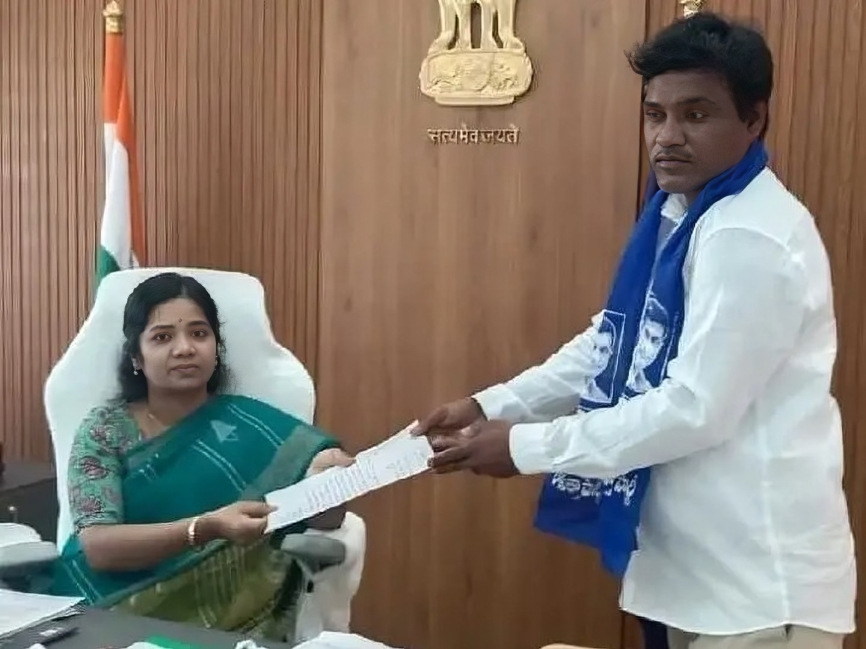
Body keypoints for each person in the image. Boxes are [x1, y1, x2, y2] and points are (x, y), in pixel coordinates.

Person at [414, 13, 855, 649]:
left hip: (757, 588)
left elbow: (694, 409)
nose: (667, 137)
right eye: (655, 115)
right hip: (692, 574)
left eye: (696, 115)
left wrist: (527, 446)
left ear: (754, 119)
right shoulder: (681, 212)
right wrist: (492, 405)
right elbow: (614, 344)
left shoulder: (749, 235)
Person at [51, 272, 353, 640]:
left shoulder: (255, 424)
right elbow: (99, 548)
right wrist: (205, 527)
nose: (185, 349)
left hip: (228, 625)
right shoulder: (104, 430)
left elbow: (325, 520)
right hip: (107, 612)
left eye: (198, 333)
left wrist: (330, 482)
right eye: (162, 337)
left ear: (216, 347)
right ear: (136, 357)